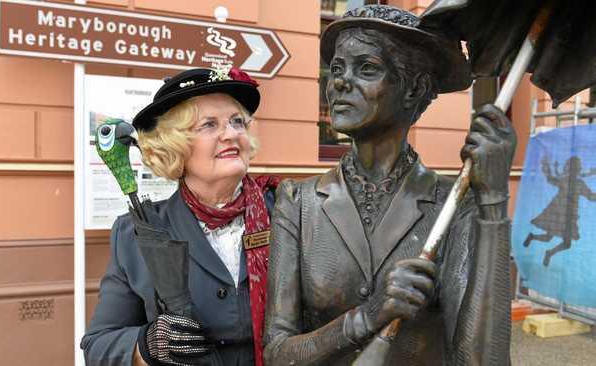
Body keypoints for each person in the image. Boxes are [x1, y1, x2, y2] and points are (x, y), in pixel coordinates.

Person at [264, 5, 515, 365]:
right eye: (336, 68)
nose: (339, 82)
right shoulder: (298, 202)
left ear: (415, 88)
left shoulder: (455, 204)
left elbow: (480, 360)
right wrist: (367, 316)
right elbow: (277, 353)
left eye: (366, 68)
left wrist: (492, 200)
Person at [81, 67, 278, 366]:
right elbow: (98, 346)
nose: (231, 134)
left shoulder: (289, 213)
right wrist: (146, 345)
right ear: (175, 146)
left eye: (237, 122)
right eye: (209, 125)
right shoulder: (134, 234)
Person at [523, 156, 596, 266]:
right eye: (575, 167)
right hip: (558, 213)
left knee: (565, 243)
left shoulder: (579, 183)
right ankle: (536, 240)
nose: (576, 169)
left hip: (569, 215)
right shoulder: (565, 180)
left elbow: (591, 197)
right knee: (551, 239)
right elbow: (550, 179)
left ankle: (547, 251)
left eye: (577, 167)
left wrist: (546, 167)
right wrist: (545, 166)